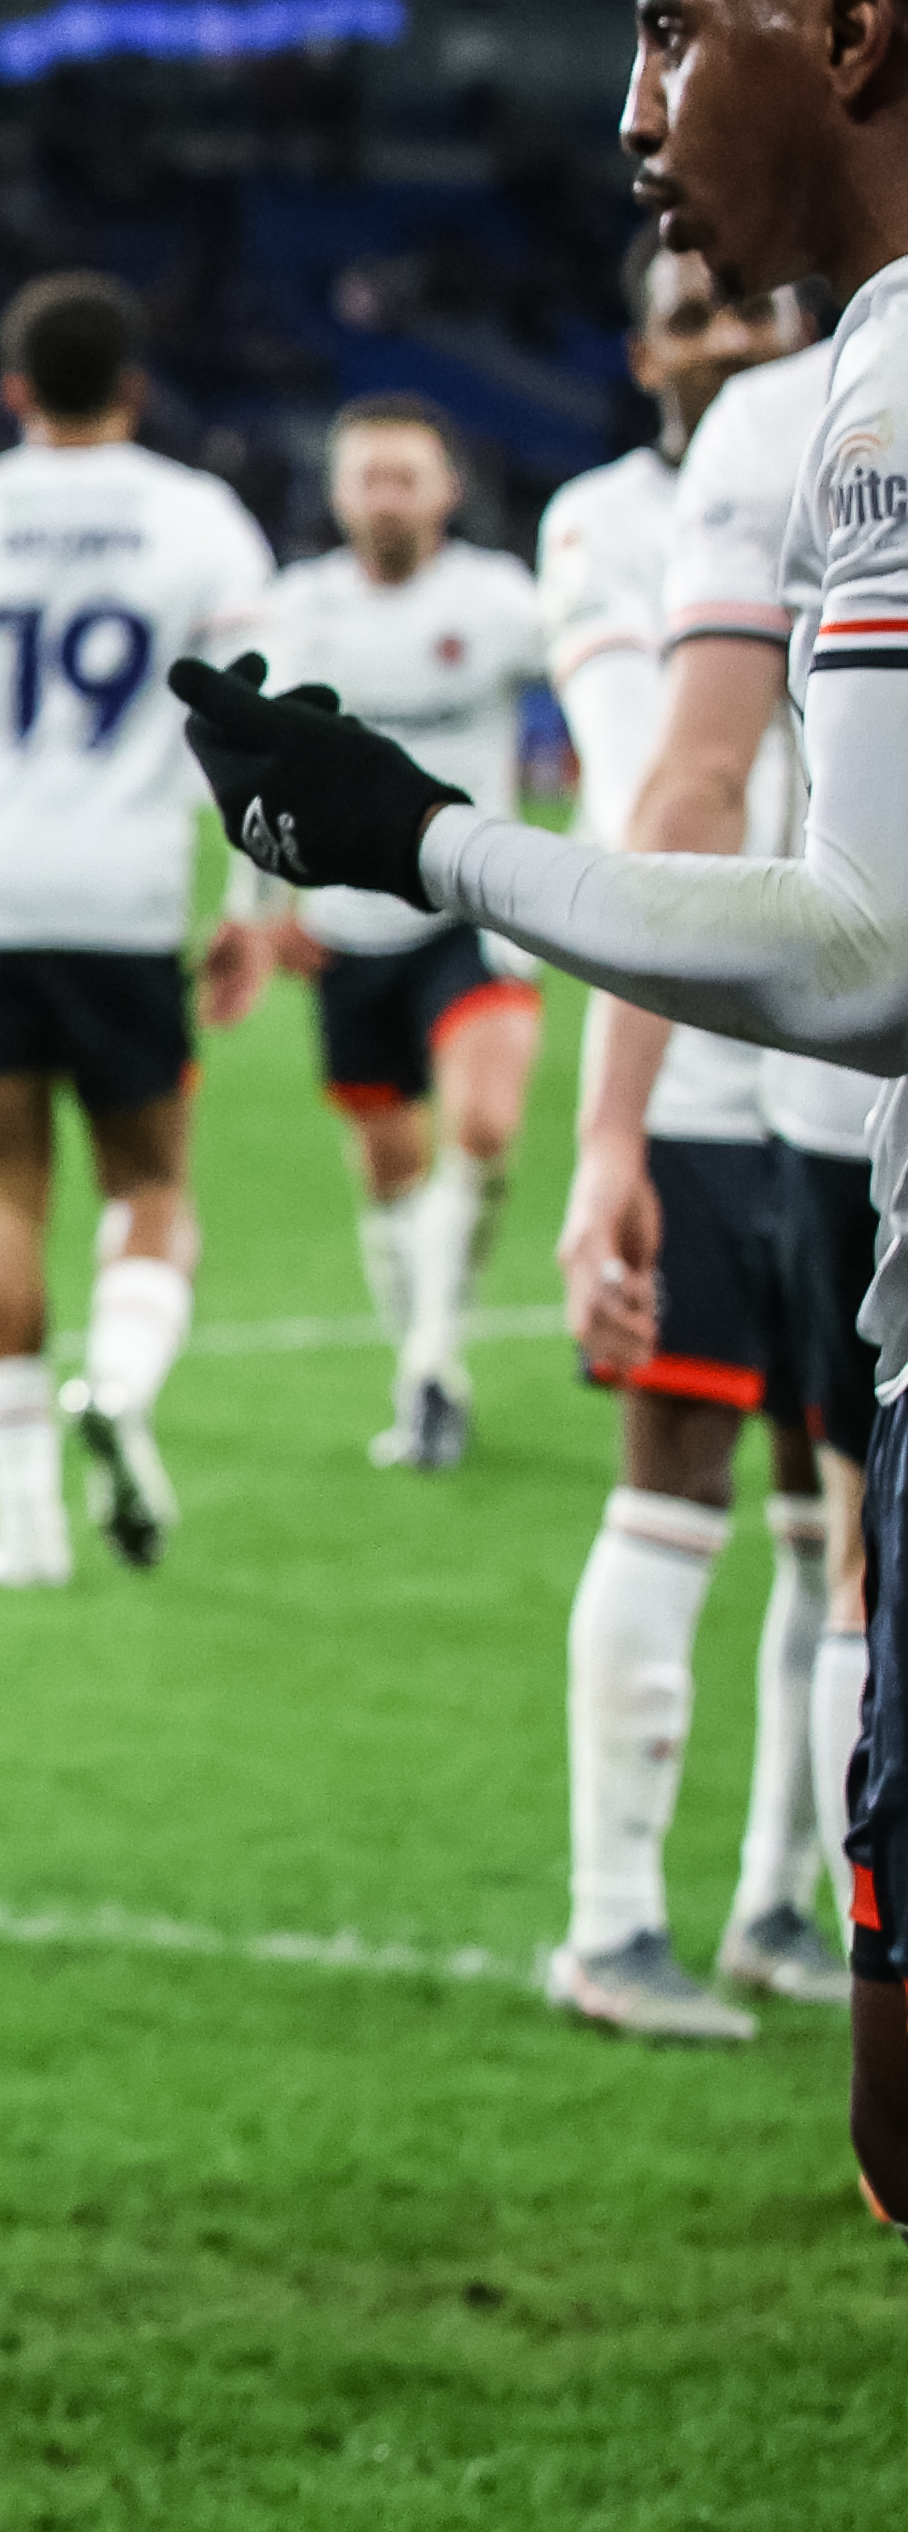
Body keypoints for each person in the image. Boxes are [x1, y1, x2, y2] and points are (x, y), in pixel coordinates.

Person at [165, 0, 908, 2220]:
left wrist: (426, 845)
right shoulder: (777, 417)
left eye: (675, 33)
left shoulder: (854, 402)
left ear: (851, 36)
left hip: (770, 1082)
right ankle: (682, 1903)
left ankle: (685, 1902)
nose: (631, 108)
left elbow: (864, 942)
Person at [0, 273, 276, 1588]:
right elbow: (258, 729)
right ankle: (121, 1384)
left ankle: (23, 1533)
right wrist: (249, 907)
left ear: (12, 389)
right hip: (125, 896)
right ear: (133, 388)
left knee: (3, 1195)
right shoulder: (198, 519)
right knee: (147, 1186)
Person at [532, 236, 843, 2038]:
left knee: (832, 1515)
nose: (721, 338)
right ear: (641, 353)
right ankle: (608, 1919)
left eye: (747, 310)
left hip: (843, 1071)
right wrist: (616, 1124)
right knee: (674, 1484)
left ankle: (780, 1903)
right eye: (685, 316)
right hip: (701, 1066)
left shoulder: (843, 461)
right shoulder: (603, 524)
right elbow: (664, 774)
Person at [246, 399, 549, 1471]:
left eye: (404, 476)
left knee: (484, 1126)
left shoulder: (498, 601)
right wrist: (264, 907)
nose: (385, 496)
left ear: (446, 490)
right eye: (366, 476)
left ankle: (429, 1365)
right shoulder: (297, 610)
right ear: (336, 494)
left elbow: (602, 689)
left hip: (470, 917)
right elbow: (259, 762)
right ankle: (424, 1370)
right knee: (387, 1173)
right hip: (345, 925)